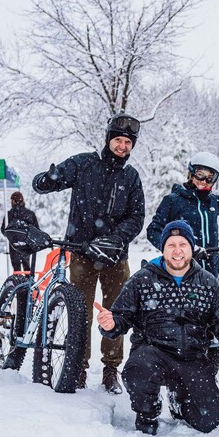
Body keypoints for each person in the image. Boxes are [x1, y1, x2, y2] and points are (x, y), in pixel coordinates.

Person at [94, 220, 219, 435]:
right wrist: (110, 324)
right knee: (138, 371)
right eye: (171, 245)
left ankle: (179, 401)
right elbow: (121, 318)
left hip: (192, 359)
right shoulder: (142, 279)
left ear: (191, 248)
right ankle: (147, 411)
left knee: (209, 421)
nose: (177, 251)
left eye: (183, 245)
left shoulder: (208, 282)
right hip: (152, 353)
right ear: (163, 248)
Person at [32, 113, 146, 394]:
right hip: (82, 252)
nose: (122, 146)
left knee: (116, 312)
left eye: (127, 142)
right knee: (80, 310)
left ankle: (110, 369)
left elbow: (137, 216)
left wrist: (115, 239)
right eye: (118, 140)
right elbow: (52, 181)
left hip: (115, 257)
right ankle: (77, 367)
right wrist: (46, 180)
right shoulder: (84, 163)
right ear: (108, 139)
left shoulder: (131, 177)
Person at [1, 191, 40, 272]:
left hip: (14, 245)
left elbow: (3, 230)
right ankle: (28, 283)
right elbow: (36, 230)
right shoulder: (30, 214)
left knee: (17, 269)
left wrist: (11, 235)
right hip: (26, 245)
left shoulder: (9, 214)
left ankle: (18, 283)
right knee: (27, 269)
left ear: (14, 201)